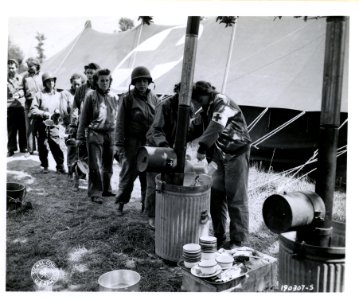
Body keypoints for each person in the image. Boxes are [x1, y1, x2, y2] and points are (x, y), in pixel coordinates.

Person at [189, 81, 252, 249]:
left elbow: (217, 125)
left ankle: (238, 241)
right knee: (215, 196)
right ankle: (218, 235)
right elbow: (195, 127)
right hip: (220, 154)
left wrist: (202, 147)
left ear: (205, 95)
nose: (196, 103)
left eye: (197, 99)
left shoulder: (221, 102)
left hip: (236, 151)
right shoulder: (206, 109)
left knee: (235, 197)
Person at [114, 66, 159, 215]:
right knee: (128, 173)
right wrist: (119, 144)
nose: (142, 84)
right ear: (134, 83)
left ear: (149, 82)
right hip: (132, 143)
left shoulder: (154, 98)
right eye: (139, 81)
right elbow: (120, 123)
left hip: (149, 143)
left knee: (148, 175)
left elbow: (158, 121)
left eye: (145, 81)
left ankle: (145, 206)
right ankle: (120, 204)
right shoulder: (127, 99)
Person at [76, 69, 119, 204]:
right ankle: (95, 192)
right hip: (95, 134)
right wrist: (80, 137)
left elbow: (117, 118)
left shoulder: (114, 97)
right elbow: (83, 119)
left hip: (110, 134)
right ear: (96, 81)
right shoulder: (91, 96)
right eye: (102, 80)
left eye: (107, 80)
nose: (105, 83)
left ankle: (107, 189)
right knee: (95, 165)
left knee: (108, 164)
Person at [30, 73, 71, 174]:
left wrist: (59, 112)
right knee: (42, 146)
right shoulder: (39, 94)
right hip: (41, 123)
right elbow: (33, 110)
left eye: (52, 80)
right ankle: (44, 165)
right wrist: (44, 113)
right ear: (44, 83)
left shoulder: (59, 95)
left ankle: (60, 166)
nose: (51, 83)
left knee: (56, 144)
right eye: (48, 81)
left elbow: (64, 109)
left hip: (54, 124)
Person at [64, 73, 86, 179]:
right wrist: (69, 124)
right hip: (72, 125)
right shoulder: (66, 94)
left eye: (79, 84)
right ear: (71, 83)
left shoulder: (85, 94)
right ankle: (70, 170)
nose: (77, 86)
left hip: (82, 126)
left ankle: (81, 171)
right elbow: (64, 110)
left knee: (82, 149)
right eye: (75, 84)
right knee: (72, 149)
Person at [23, 57, 43, 155]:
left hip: (39, 105)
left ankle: (41, 148)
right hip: (28, 104)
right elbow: (21, 89)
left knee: (39, 127)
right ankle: (30, 149)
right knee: (30, 128)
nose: (29, 68)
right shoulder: (25, 77)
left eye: (31, 66)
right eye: (28, 66)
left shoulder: (41, 77)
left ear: (37, 66)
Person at [7, 59, 27, 157]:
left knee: (22, 128)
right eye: (9, 68)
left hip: (20, 105)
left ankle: (23, 147)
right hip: (10, 106)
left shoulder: (21, 78)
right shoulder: (5, 79)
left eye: (13, 68)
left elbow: (24, 90)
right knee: (11, 129)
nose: (11, 70)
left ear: (16, 68)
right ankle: (11, 148)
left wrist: (19, 94)